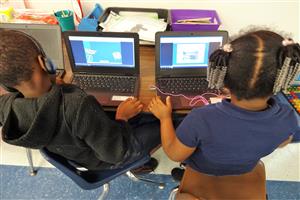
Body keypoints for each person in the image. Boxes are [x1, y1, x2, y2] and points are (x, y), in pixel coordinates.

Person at [0, 30, 160, 173]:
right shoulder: (78, 105)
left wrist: (54, 86)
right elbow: (114, 153)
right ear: (44, 63)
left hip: (76, 154)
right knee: (167, 124)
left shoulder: (5, 107)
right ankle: (137, 165)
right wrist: (122, 117)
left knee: (146, 117)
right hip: (105, 159)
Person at [148, 30, 300, 179]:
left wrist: (164, 117)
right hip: (244, 168)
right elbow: (282, 143)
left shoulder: (201, 118)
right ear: (283, 79)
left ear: (223, 82)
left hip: (202, 168)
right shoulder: (289, 117)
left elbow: (175, 154)